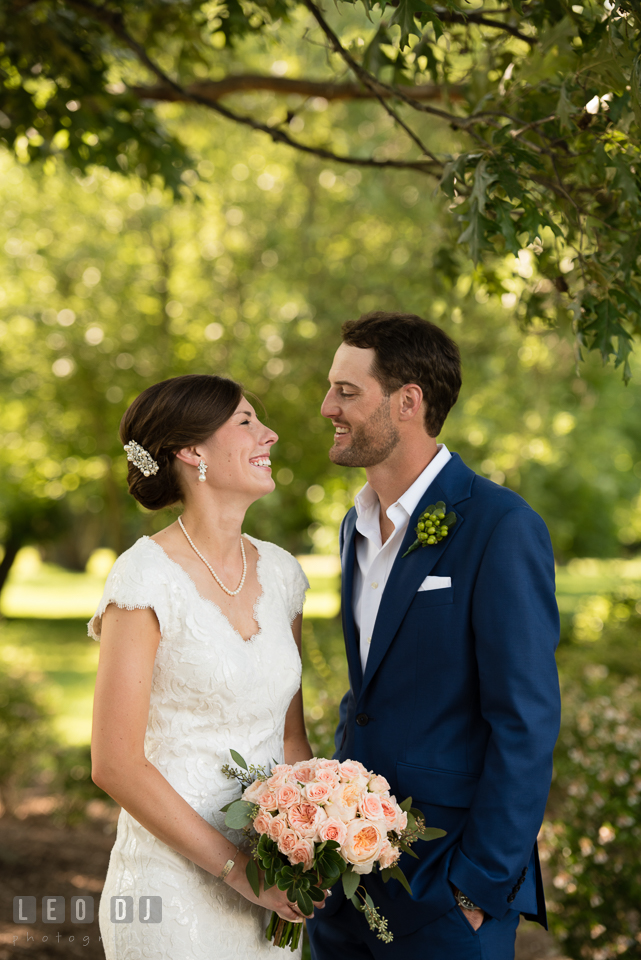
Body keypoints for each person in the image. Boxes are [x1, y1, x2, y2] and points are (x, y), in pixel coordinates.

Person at [307, 312, 561, 960]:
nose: (325, 405)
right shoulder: (352, 527)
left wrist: (476, 888)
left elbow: (524, 721)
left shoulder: (498, 526)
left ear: (408, 401)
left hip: (447, 886)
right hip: (347, 883)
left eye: (345, 390)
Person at [90, 374, 318, 960]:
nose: (268, 434)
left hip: (270, 891)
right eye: (246, 422)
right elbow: (116, 764)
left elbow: (291, 735)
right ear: (193, 452)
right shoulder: (143, 580)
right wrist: (240, 872)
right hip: (172, 892)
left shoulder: (284, 576)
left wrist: (310, 839)